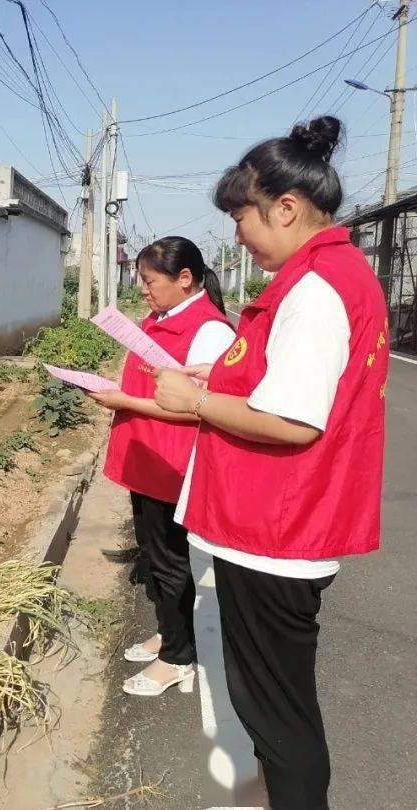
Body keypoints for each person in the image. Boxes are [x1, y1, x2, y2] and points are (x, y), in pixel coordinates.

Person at [155, 115, 388, 809]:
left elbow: (291, 421)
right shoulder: (331, 276)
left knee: (278, 713)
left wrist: (192, 402)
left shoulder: (313, 291)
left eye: (241, 217)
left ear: (286, 208)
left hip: (275, 533)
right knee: (271, 704)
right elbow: (278, 387)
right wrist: (214, 384)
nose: (238, 235)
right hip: (278, 526)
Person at [89, 237, 234, 697]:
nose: (144, 292)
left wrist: (124, 399)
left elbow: (199, 408)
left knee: (169, 560)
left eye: (150, 282)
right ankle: (169, 632)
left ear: (184, 279)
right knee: (153, 554)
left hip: (171, 463)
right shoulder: (159, 319)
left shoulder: (210, 332)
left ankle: (179, 657)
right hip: (145, 456)